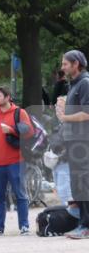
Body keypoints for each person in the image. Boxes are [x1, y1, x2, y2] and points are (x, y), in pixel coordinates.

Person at [0, 87, 33, 235]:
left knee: (20, 194)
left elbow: (29, 131)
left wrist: (11, 130)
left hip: (16, 161)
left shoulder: (19, 112)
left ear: (7, 97)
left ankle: (24, 226)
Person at [55, 49, 89, 239]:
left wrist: (65, 116)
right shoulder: (74, 84)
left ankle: (86, 226)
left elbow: (87, 113)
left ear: (76, 64)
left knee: (84, 184)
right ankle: (82, 223)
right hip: (75, 143)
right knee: (77, 185)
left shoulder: (85, 83)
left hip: (84, 143)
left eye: (65, 64)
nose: (63, 67)